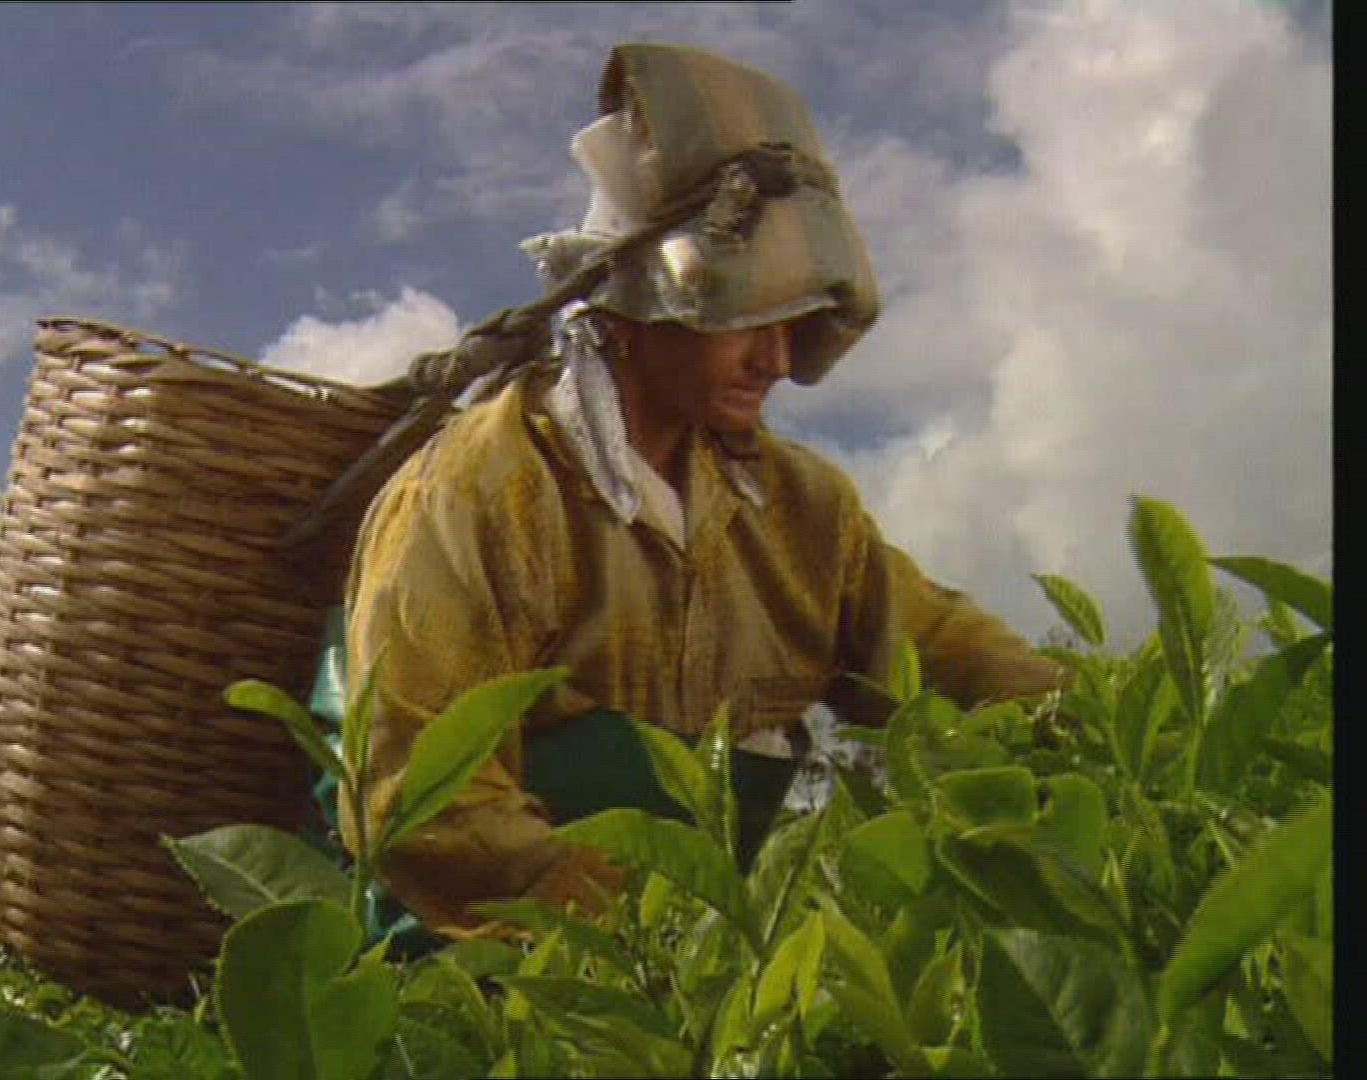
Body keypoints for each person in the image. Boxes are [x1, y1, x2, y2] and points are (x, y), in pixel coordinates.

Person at [337, 43, 1065, 939]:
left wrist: (1088, 733)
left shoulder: (803, 512)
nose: (776, 360)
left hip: (699, 952)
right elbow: (420, 793)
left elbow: (939, 654)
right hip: (479, 955)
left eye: (791, 326)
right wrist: (635, 938)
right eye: (744, 323)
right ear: (635, 315)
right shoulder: (483, 491)